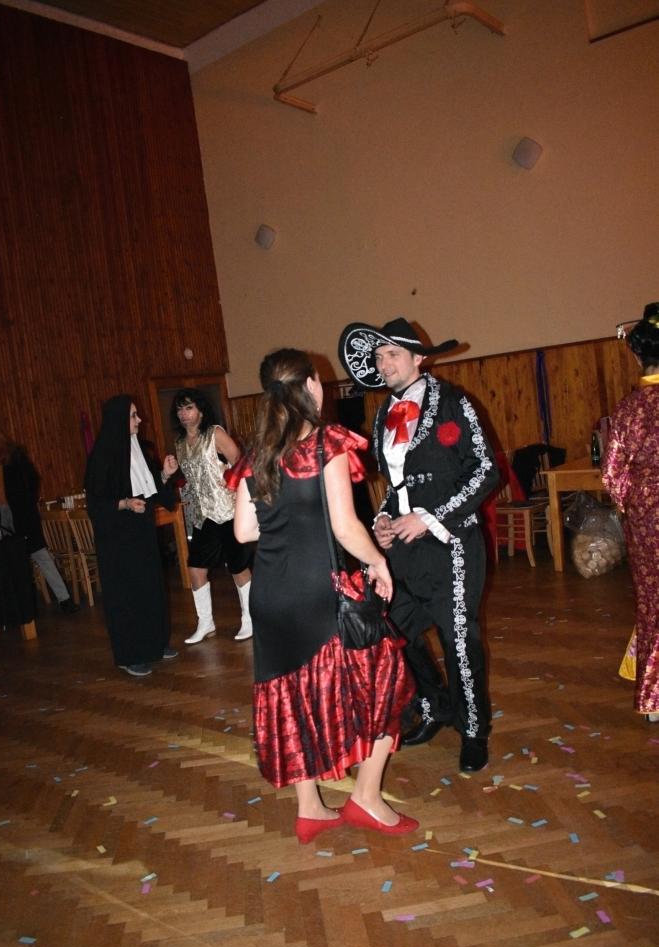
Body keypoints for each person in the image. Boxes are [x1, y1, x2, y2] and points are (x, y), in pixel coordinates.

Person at [227, 348, 417, 843]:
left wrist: (286, 520)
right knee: (387, 681)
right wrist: (378, 562)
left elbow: (244, 531)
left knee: (291, 697)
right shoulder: (323, 444)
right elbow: (346, 526)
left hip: (270, 597)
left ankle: (310, 807)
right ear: (311, 384)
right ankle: (366, 798)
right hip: (318, 593)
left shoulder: (256, 455)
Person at [339, 318, 499, 772]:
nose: (384, 363)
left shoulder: (453, 402)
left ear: (418, 358)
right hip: (404, 550)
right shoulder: (381, 415)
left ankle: (473, 729)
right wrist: (382, 519)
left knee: (458, 639)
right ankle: (435, 706)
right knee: (395, 631)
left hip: (452, 544)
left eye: (392, 354)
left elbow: (486, 470)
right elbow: (396, 487)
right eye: (378, 357)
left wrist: (430, 517)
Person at [84, 395, 179, 677]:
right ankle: (130, 654)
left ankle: (156, 643)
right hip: (117, 538)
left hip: (141, 532)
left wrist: (165, 474)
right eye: (133, 415)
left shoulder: (138, 448)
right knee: (127, 595)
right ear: (118, 420)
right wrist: (125, 503)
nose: (139, 420)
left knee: (150, 588)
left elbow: (151, 487)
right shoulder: (102, 456)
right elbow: (95, 504)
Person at [603, 302, 659, 723]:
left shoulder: (627, 409)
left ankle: (655, 699)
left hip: (646, 518)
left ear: (639, 357)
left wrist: (634, 504)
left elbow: (612, 475)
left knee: (653, 602)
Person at [170, 389, 253, 643]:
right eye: (180, 409)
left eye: (189, 408)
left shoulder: (214, 434)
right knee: (195, 568)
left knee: (238, 567)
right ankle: (205, 623)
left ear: (201, 410)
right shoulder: (180, 443)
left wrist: (236, 489)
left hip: (228, 511)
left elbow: (241, 464)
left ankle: (250, 619)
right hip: (202, 516)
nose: (184, 414)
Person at [0, 422, 79, 613]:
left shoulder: (14, 455)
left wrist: (27, 502)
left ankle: (64, 599)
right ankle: (22, 606)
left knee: (40, 554)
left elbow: (32, 479)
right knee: (11, 559)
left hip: (22, 513)